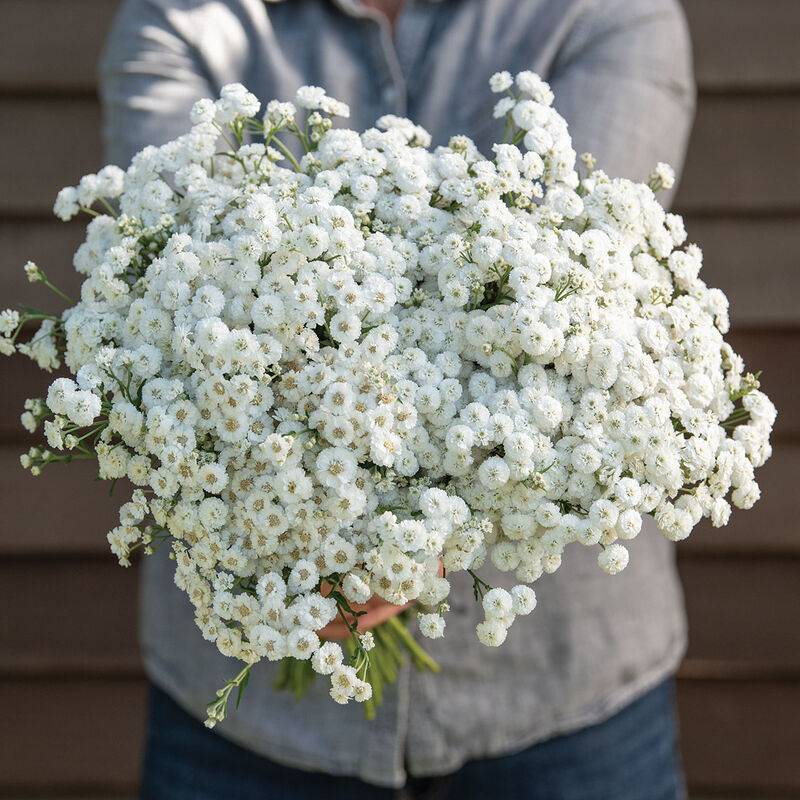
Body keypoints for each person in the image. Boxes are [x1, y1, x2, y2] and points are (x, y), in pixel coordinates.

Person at [99, 1, 695, 797]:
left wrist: (401, 544)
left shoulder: (604, 11)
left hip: (561, 704)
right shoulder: (183, 17)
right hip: (247, 723)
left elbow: (569, 319)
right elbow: (173, 292)